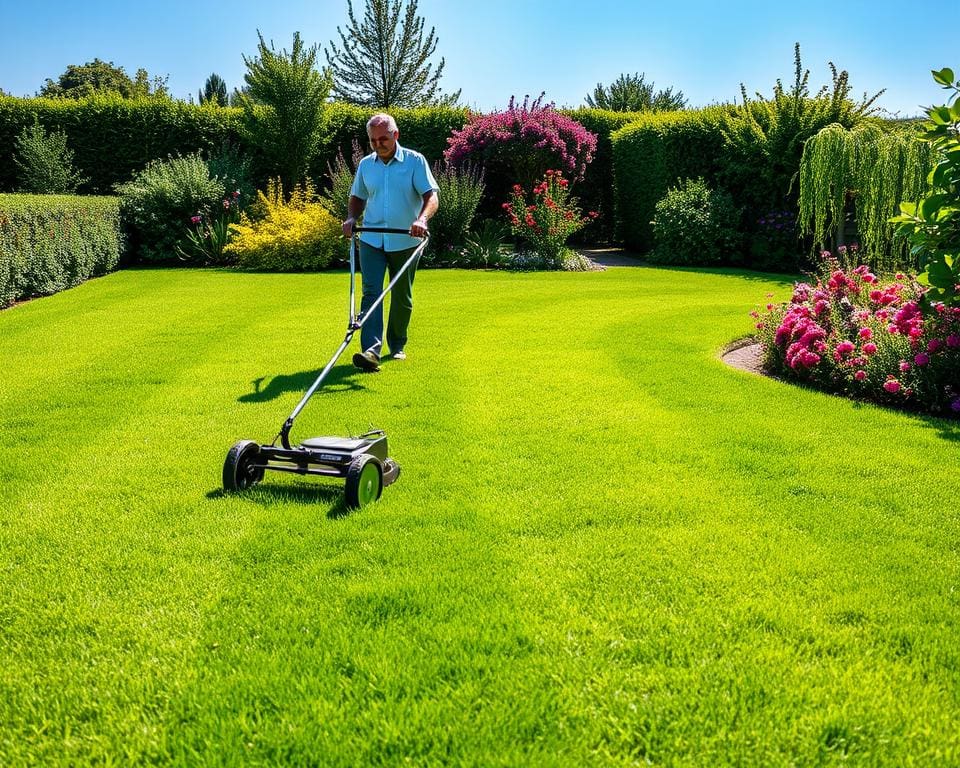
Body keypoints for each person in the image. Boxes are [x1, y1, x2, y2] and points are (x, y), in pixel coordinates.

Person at [342, 113, 439, 372]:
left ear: (395, 135)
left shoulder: (415, 161)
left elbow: (431, 196)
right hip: (372, 239)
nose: (378, 144)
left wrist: (422, 220)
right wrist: (351, 218)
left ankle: (397, 344)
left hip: (406, 240)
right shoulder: (366, 165)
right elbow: (357, 196)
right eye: (373, 140)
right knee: (371, 293)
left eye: (383, 139)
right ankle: (370, 351)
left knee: (401, 295)